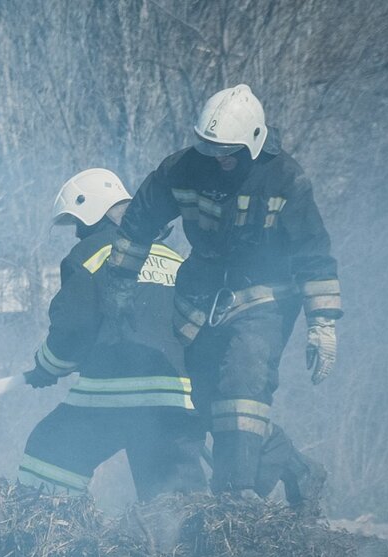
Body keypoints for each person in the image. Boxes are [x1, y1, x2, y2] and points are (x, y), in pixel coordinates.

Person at [110, 84, 337, 514]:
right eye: (209, 148)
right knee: (206, 401)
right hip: (200, 293)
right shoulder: (182, 169)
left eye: (227, 151)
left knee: (242, 382)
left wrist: (322, 322)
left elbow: (313, 251)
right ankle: (298, 470)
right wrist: (120, 282)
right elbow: (139, 222)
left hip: (265, 295)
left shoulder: (285, 178)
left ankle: (234, 503)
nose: (218, 159)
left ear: (253, 141)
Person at [18, 168, 205, 501]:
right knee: (175, 501)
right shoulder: (173, 258)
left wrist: (46, 366)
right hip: (177, 398)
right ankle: (194, 548)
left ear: (92, 212)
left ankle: (47, 532)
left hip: (112, 395)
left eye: (78, 222)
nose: (77, 233)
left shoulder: (90, 253)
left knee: (49, 452)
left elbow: (73, 329)